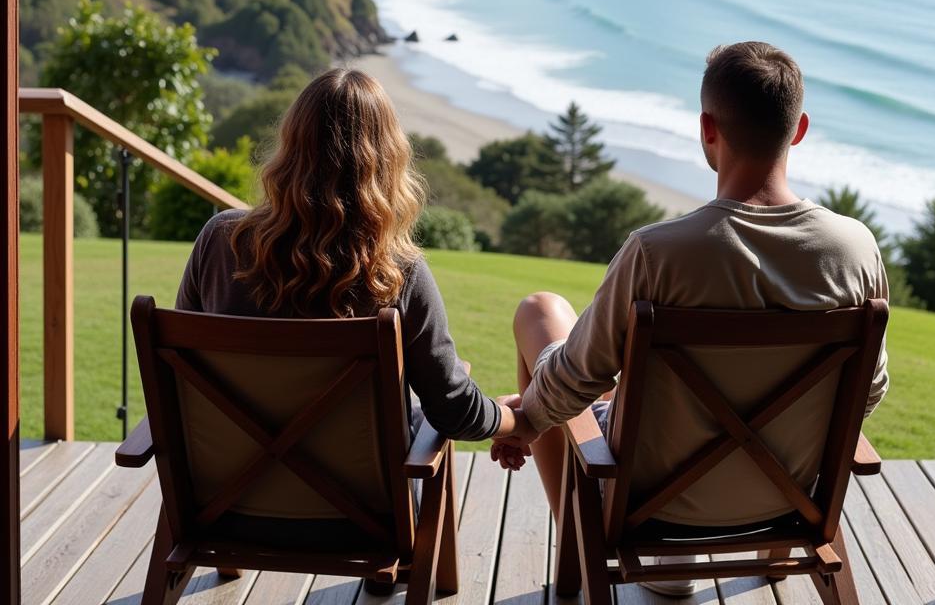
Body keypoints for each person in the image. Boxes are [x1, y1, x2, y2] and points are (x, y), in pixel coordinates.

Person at [494, 42, 889, 596]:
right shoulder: (855, 250)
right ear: (798, 129)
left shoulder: (657, 253)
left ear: (708, 128)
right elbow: (866, 389)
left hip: (652, 506)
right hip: (789, 493)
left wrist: (527, 422)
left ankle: (586, 548)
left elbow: (574, 379)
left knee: (539, 312)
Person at [176, 67, 528, 445]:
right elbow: (454, 411)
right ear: (387, 161)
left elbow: (180, 377)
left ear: (290, 146)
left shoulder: (220, 241)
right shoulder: (399, 272)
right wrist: (514, 421)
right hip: (362, 503)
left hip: (227, 494)